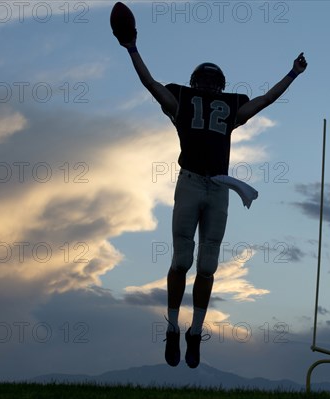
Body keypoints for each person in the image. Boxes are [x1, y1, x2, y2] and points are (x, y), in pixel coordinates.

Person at [120, 35, 307, 368]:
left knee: (207, 265)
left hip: (218, 187)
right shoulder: (182, 101)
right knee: (181, 260)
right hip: (190, 181)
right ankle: (173, 327)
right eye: (203, 80)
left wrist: (291, 75)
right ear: (196, 83)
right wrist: (132, 48)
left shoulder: (224, 105)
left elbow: (264, 100)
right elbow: (149, 82)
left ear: (219, 86)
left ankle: (195, 332)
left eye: (211, 81)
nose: (207, 85)